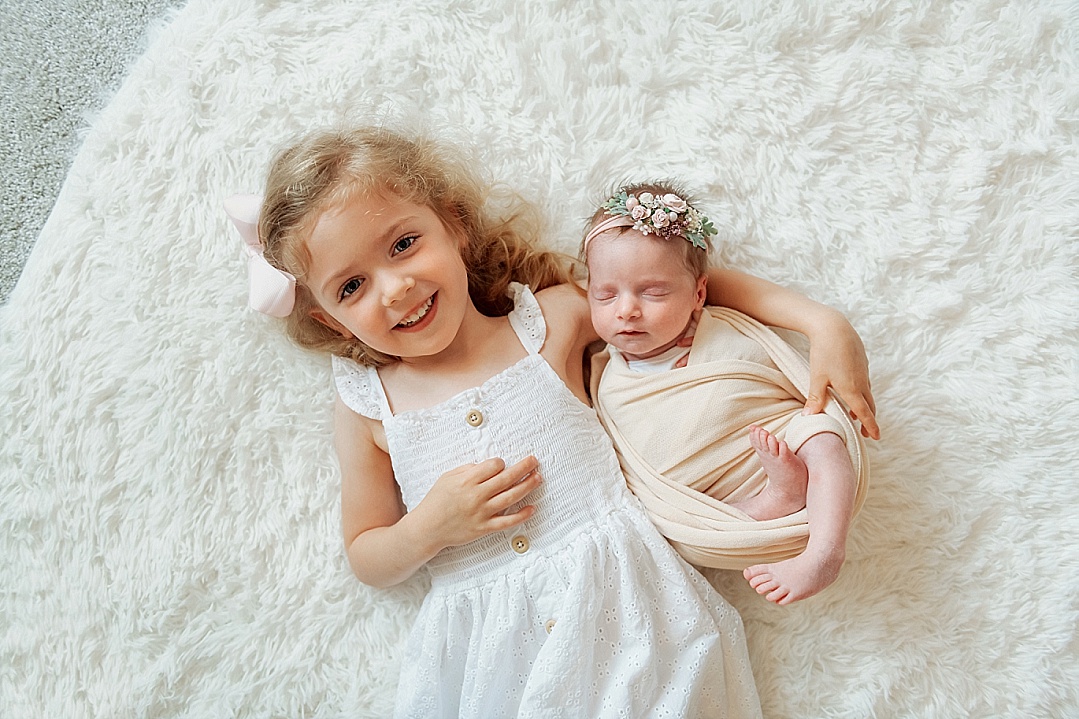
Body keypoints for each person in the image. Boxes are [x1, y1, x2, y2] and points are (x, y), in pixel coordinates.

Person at [225, 127, 874, 717]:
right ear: (328, 321)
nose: (393, 288)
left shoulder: (549, 320)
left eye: (402, 244)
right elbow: (366, 552)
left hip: (630, 617)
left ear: (453, 226)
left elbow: (668, 285)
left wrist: (820, 322)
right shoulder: (369, 403)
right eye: (351, 287)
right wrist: (428, 527)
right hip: (490, 655)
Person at [583, 182, 873, 606]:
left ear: (699, 294)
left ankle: (826, 550)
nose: (626, 309)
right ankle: (778, 497)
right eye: (605, 294)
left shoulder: (725, 330)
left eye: (654, 292)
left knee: (823, 433)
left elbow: (777, 390)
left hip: (778, 438)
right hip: (712, 500)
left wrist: (826, 325)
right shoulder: (609, 376)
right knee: (676, 522)